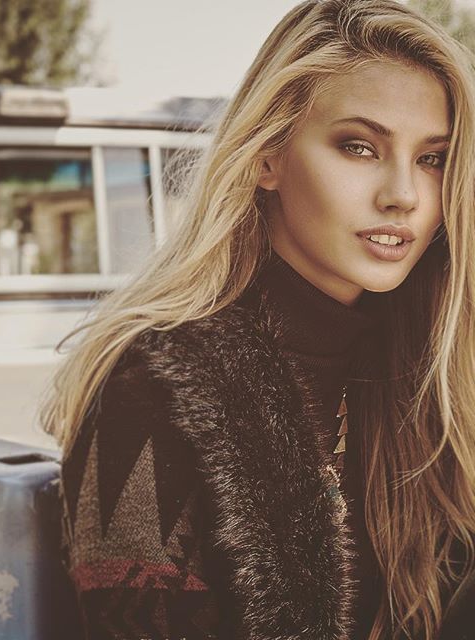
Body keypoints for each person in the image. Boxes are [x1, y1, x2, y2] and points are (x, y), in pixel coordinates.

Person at [40, 1, 475, 638]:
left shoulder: (433, 371)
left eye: (432, 159)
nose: (403, 195)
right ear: (267, 156)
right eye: (359, 147)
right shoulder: (159, 384)